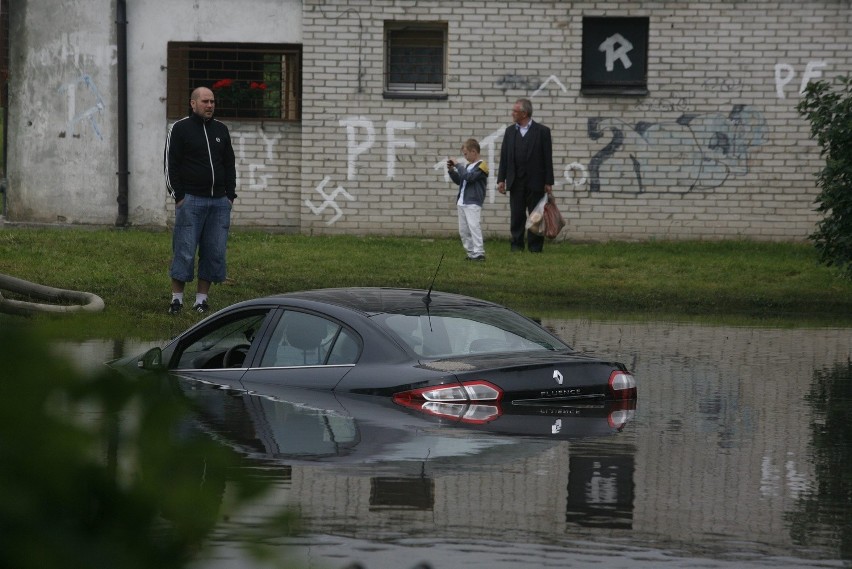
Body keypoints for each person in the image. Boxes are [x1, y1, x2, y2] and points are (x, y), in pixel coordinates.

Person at [164, 86, 237, 315]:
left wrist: (230, 196)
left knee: (214, 251)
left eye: (212, 101)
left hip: (219, 203)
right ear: (193, 103)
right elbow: (170, 164)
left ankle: (201, 301)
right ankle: (176, 300)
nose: (210, 105)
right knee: (184, 250)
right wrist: (179, 196)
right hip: (191, 200)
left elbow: (229, 164)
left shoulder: (221, 130)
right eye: (205, 101)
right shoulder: (180, 129)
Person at [496, 98, 554, 253]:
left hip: (536, 181)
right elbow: (505, 157)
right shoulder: (510, 132)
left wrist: (548, 182)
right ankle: (516, 245)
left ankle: (535, 247)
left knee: (536, 216)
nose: (512, 113)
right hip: (516, 181)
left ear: (524, 113)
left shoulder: (542, 132)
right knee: (517, 215)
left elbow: (547, 158)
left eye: (515, 111)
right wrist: (501, 179)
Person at [447, 138, 489, 261]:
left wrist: (458, 165)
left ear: (474, 152)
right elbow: (460, 181)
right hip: (462, 202)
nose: (464, 157)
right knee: (463, 230)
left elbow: (469, 178)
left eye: (466, 154)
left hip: (473, 202)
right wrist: (451, 171)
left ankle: (479, 253)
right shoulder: (468, 166)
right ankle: (471, 253)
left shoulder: (482, 166)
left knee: (473, 227)